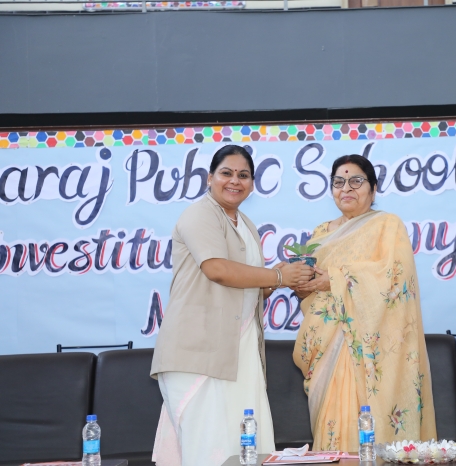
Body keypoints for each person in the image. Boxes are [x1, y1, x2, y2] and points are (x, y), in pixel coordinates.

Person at [150, 145, 314, 466]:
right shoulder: (200, 213)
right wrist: (279, 276)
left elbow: (245, 291)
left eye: (243, 175)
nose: (235, 181)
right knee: (208, 448)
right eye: (226, 173)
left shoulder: (245, 224)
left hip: (238, 352)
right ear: (209, 178)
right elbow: (217, 270)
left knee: (244, 447)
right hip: (199, 352)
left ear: (252, 184)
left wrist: (282, 278)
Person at [292, 154, 437, 451]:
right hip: (325, 343)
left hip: (366, 345)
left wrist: (335, 278)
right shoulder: (320, 233)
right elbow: (309, 293)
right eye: (338, 182)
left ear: (373, 189)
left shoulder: (387, 225)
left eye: (356, 181)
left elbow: (395, 275)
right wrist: (303, 285)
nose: (346, 188)